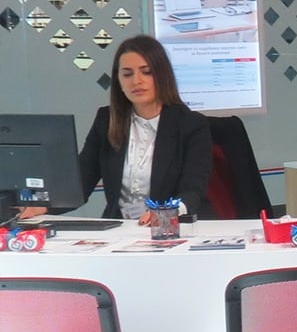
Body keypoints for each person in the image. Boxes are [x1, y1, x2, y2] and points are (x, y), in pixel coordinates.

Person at [22, 34, 212, 223]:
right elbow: (82, 181)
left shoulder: (192, 125)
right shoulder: (106, 119)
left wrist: (167, 212)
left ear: (162, 76)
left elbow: (192, 191)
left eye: (146, 72)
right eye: (127, 74)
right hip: (119, 227)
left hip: (168, 228)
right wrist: (42, 205)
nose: (136, 81)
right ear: (119, 80)